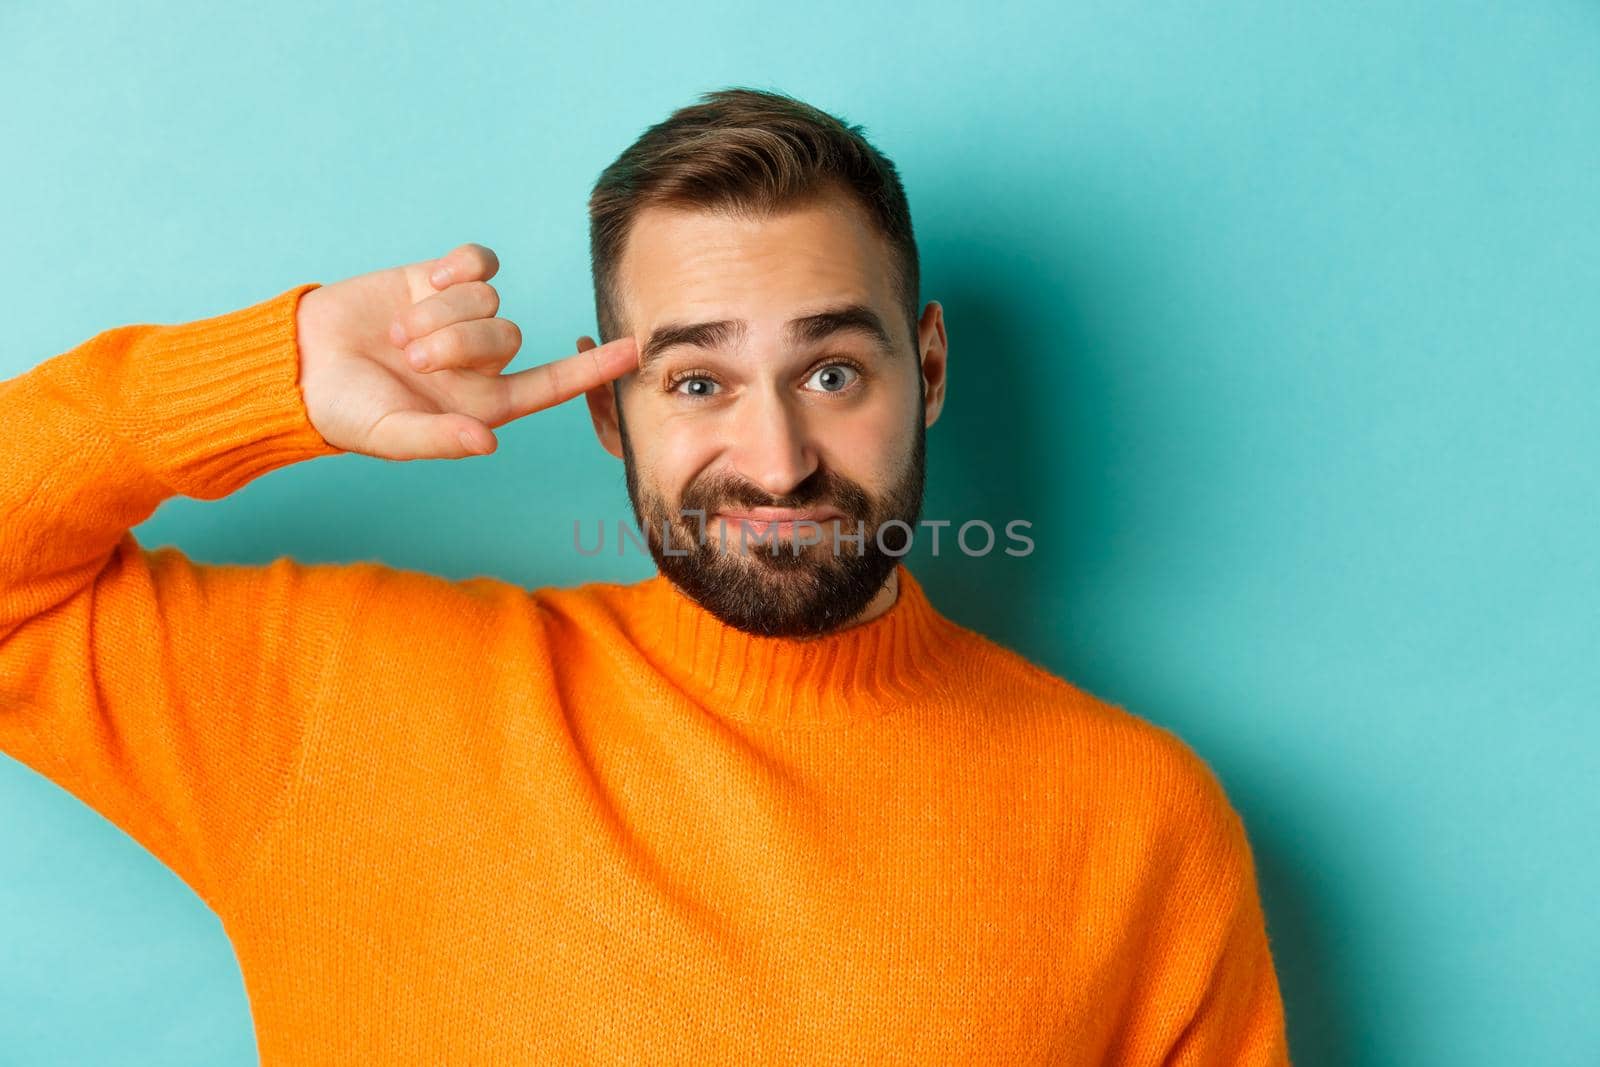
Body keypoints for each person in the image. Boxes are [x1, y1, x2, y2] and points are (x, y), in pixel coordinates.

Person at [0, 87, 1290, 1064]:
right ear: (612, 412)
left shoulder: (1140, 825)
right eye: (698, 383)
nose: (778, 464)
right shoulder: (338, 699)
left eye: (831, 372)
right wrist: (270, 373)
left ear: (930, 370)